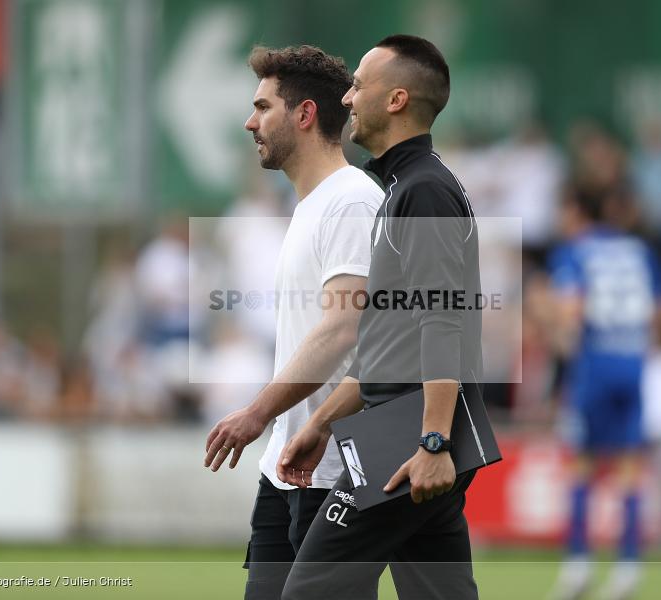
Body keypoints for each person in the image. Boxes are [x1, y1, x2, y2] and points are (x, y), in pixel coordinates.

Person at [276, 35, 483, 600]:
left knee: (310, 592)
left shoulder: (425, 191)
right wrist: (320, 424)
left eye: (358, 86)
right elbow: (387, 348)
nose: (346, 98)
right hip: (406, 429)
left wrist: (435, 442)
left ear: (395, 100)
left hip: (410, 436)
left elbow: (443, 321)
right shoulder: (402, 188)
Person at [203, 45, 383, 600]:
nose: (249, 122)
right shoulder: (309, 206)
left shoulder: (351, 201)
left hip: (335, 472)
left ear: (304, 115)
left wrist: (256, 412)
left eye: (263, 107)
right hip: (286, 466)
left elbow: (342, 330)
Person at [547, 185, 661, 600]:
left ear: (578, 212)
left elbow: (572, 311)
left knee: (581, 465)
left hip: (595, 366)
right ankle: (628, 568)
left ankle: (579, 566)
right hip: (633, 364)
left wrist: (563, 347)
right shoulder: (638, 250)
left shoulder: (576, 251)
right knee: (629, 469)